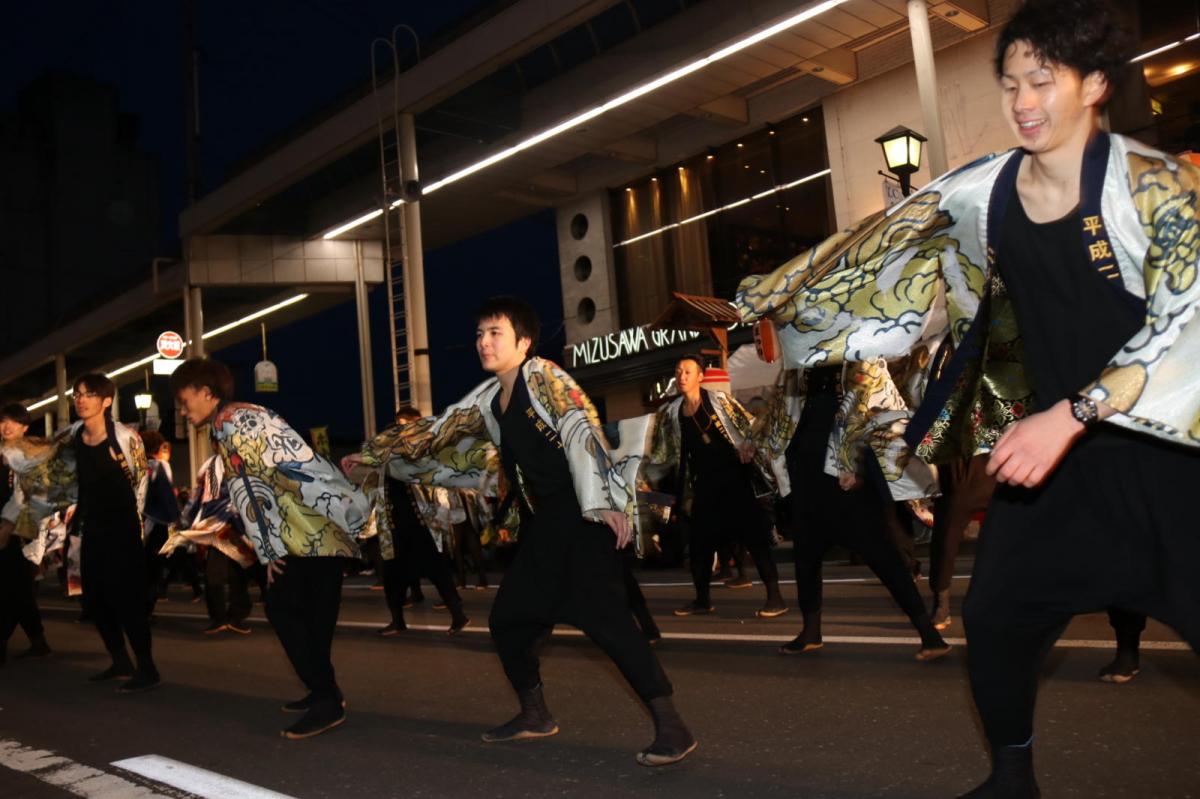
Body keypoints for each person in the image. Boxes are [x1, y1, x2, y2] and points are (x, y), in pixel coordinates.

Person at [736, 2, 1200, 794]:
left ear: (1093, 85)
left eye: (1042, 80)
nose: (1022, 100)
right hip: (1053, 467)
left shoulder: (1154, 188)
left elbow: (1188, 318)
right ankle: (1010, 777)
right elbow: (885, 252)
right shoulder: (985, 193)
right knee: (993, 619)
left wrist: (1075, 411)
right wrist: (784, 304)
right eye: (1011, 81)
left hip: (1167, 454)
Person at [349, 296, 695, 766]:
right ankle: (535, 714)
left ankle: (672, 726)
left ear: (524, 342)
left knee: (609, 624)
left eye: (495, 333)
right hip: (542, 529)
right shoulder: (491, 400)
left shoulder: (544, 376)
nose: (483, 342)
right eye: (479, 334)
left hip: (580, 519)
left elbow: (581, 430)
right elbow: (440, 432)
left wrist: (603, 503)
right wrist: (374, 456)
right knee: (507, 622)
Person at [172, 358, 369, 740]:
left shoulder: (230, 424)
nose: (181, 410)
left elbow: (252, 490)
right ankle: (322, 691)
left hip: (309, 532)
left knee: (286, 610)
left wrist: (268, 551)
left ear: (206, 392)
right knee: (311, 614)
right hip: (315, 527)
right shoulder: (240, 417)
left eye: (184, 400)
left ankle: (327, 699)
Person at [755, 361, 950, 660]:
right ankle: (811, 631)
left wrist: (860, 469)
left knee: (883, 556)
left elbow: (886, 415)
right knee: (806, 557)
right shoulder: (797, 366)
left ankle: (929, 634)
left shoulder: (862, 359)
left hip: (847, 479)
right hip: (806, 477)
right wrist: (754, 442)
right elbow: (779, 413)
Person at [647, 355, 786, 619]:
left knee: (755, 540)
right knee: (699, 546)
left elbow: (750, 426)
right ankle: (702, 600)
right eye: (678, 371)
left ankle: (775, 598)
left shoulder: (719, 401)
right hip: (703, 487)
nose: (682, 376)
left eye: (688, 371)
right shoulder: (672, 412)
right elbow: (663, 454)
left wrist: (748, 445)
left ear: (700, 376)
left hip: (735, 481)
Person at [68, 374, 158, 692]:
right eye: (77, 394)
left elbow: (141, 482)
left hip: (123, 527)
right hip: (91, 526)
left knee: (127, 598)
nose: (81, 399)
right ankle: (120, 661)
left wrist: (137, 529)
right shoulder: (74, 436)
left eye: (89, 394)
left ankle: (147, 667)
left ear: (106, 401)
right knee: (93, 597)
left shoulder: (125, 438)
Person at [367, 406, 470, 637]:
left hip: (416, 524)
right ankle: (398, 621)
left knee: (435, 570)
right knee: (394, 577)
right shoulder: (383, 467)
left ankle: (458, 614)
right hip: (393, 530)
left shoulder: (409, 460)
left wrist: (439, 520)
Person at [0, 402, 67, 664]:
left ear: (25, 427)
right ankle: (38, 642)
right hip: (8, 527)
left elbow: (25, 496)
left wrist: (6, 526)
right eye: (3, 421)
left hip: (21, 530)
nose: (6, 427)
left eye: (13, 422)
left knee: (11, 587)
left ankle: (3, 642)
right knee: (19, 590)